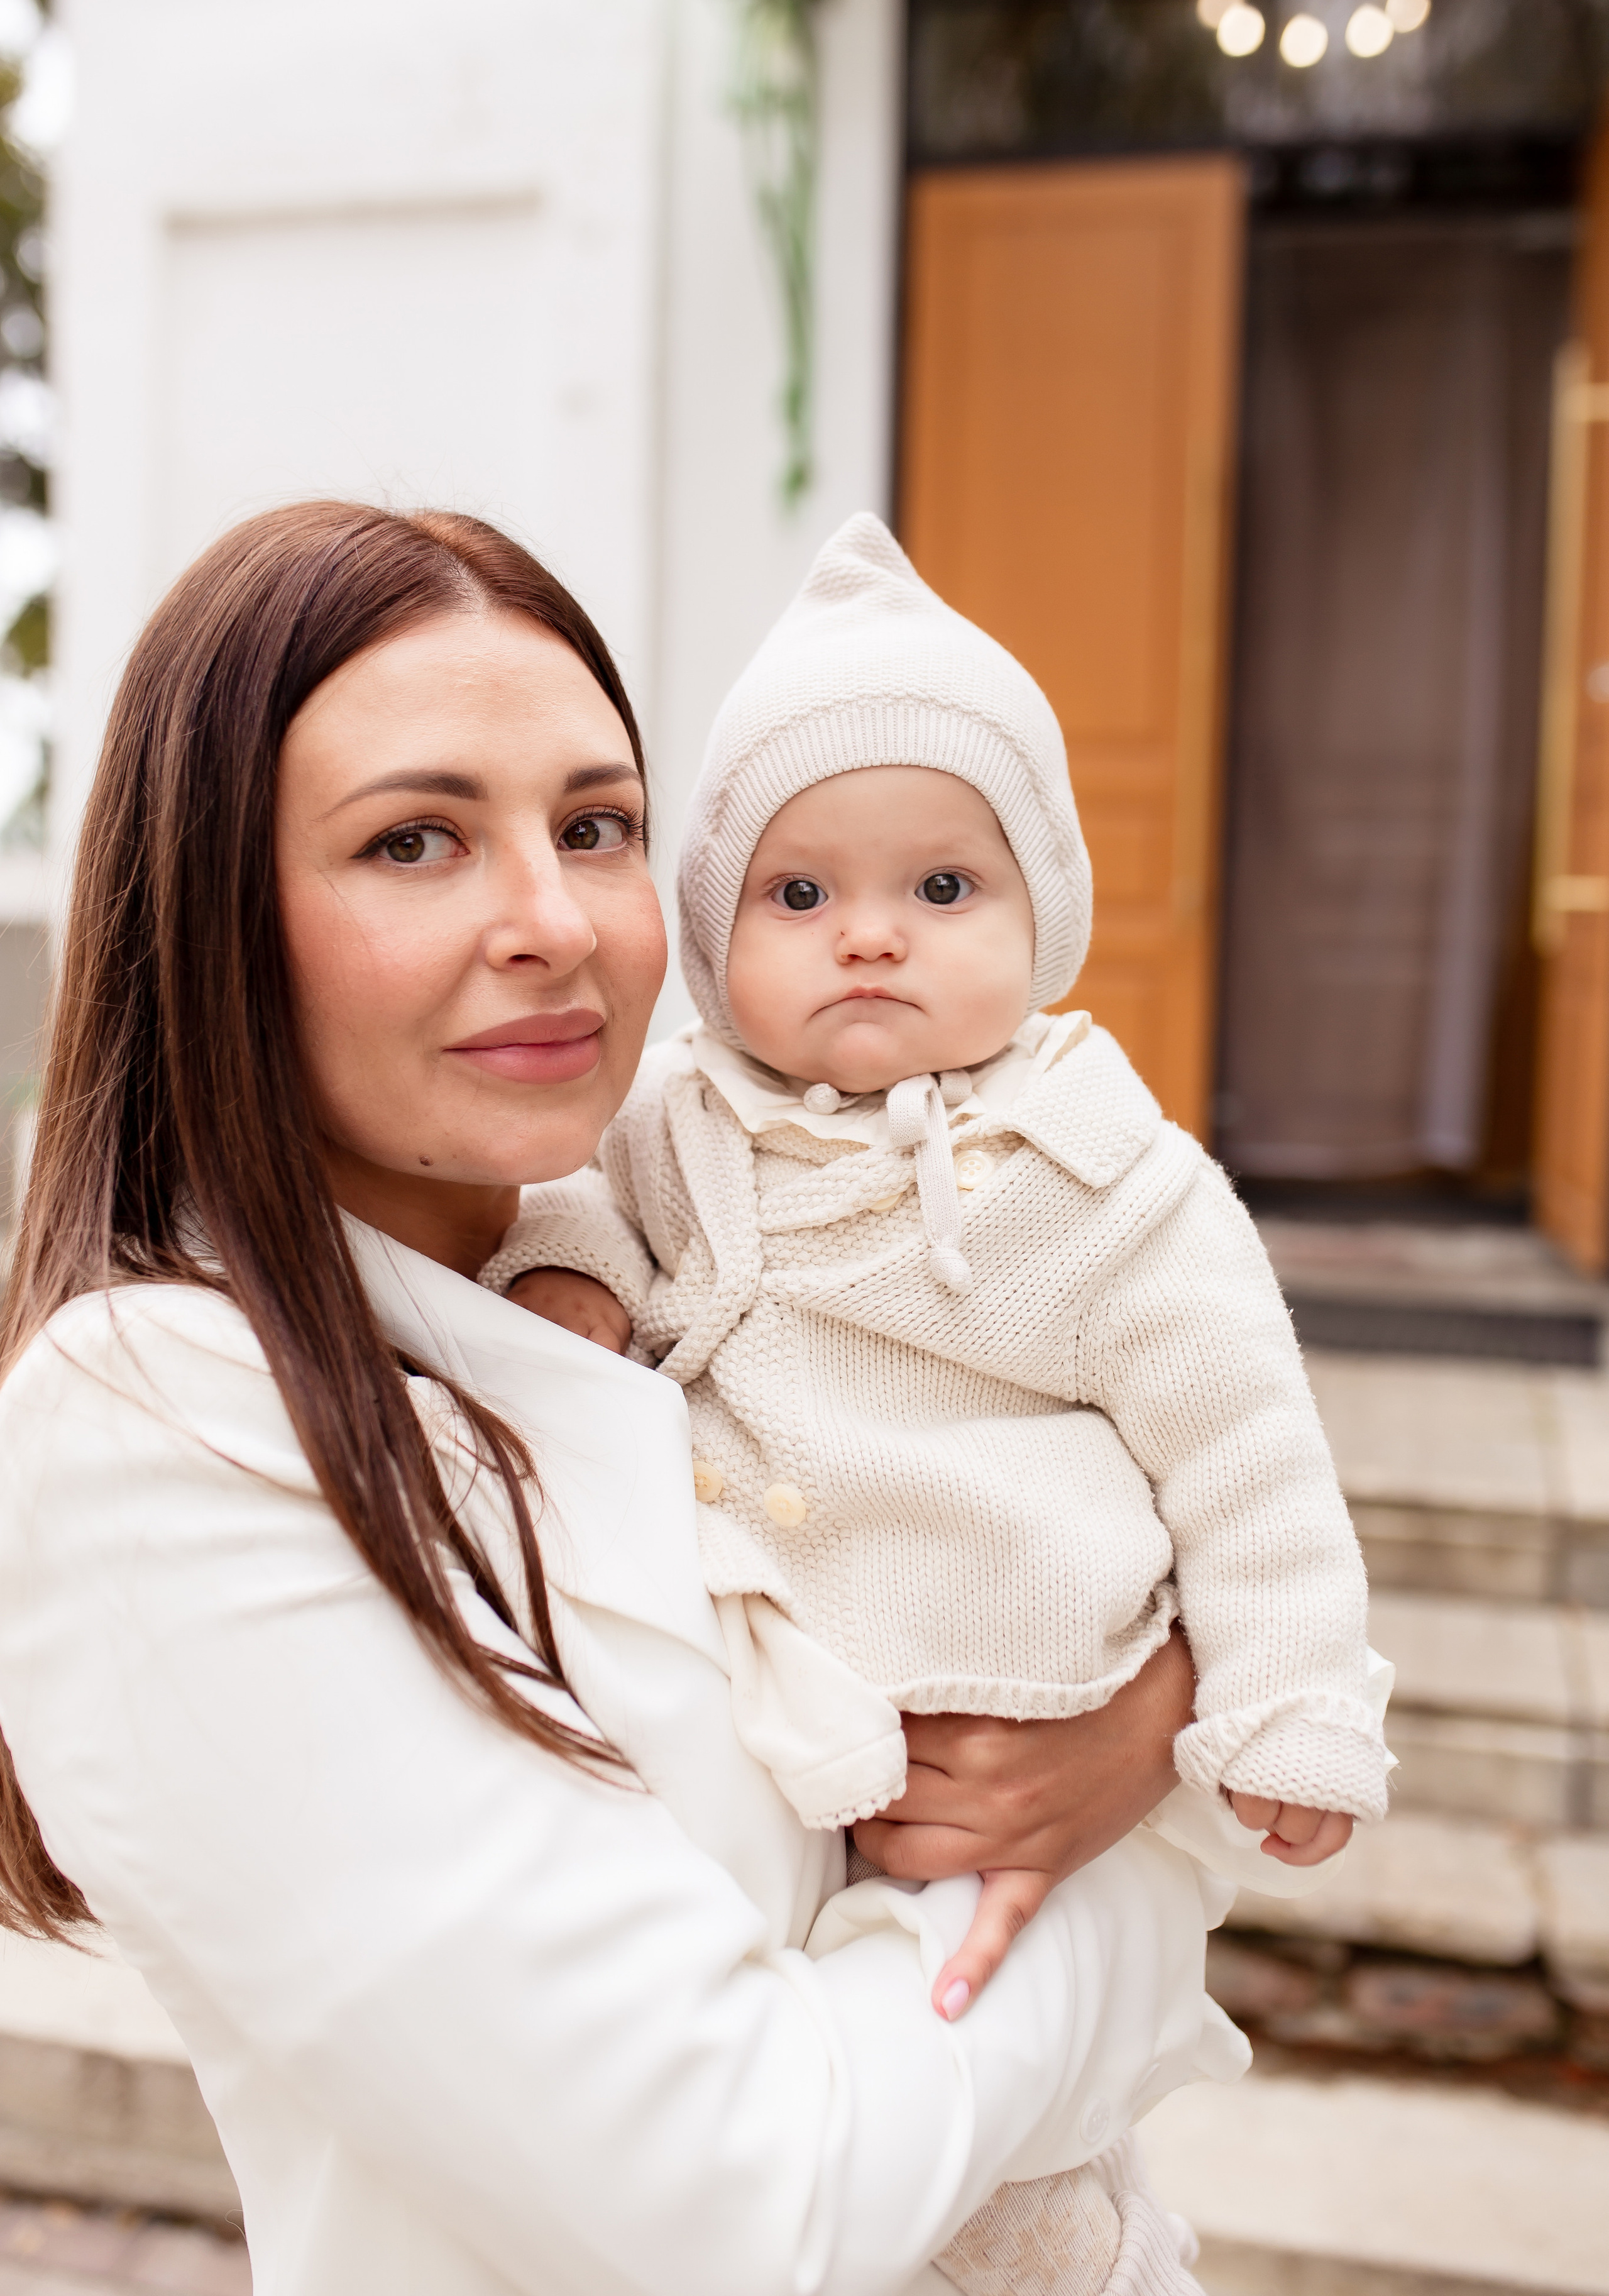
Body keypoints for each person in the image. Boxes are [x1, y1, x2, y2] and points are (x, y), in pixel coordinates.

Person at [0, 502, 1242, 2296]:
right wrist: (1122, 1846)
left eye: (596, 828)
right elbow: (743, 2202)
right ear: (210, 921)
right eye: (414, 840)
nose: (553, 924)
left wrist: (1179, 1703)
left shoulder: (715, 1267)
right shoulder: (154, 1420)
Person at [490, 510, 1392, 2025]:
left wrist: (1287, 1703)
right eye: (797, 897)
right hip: (762, 1741)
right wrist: (570, 1281)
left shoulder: (1108, 1176)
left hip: (1017, 1730)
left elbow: (1250, 1463)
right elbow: (574, 1207)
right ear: (714, 937)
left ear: (1045, 919)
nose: (867, 940)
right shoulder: (673, 1122)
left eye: (941, 891)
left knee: (994, 2131)